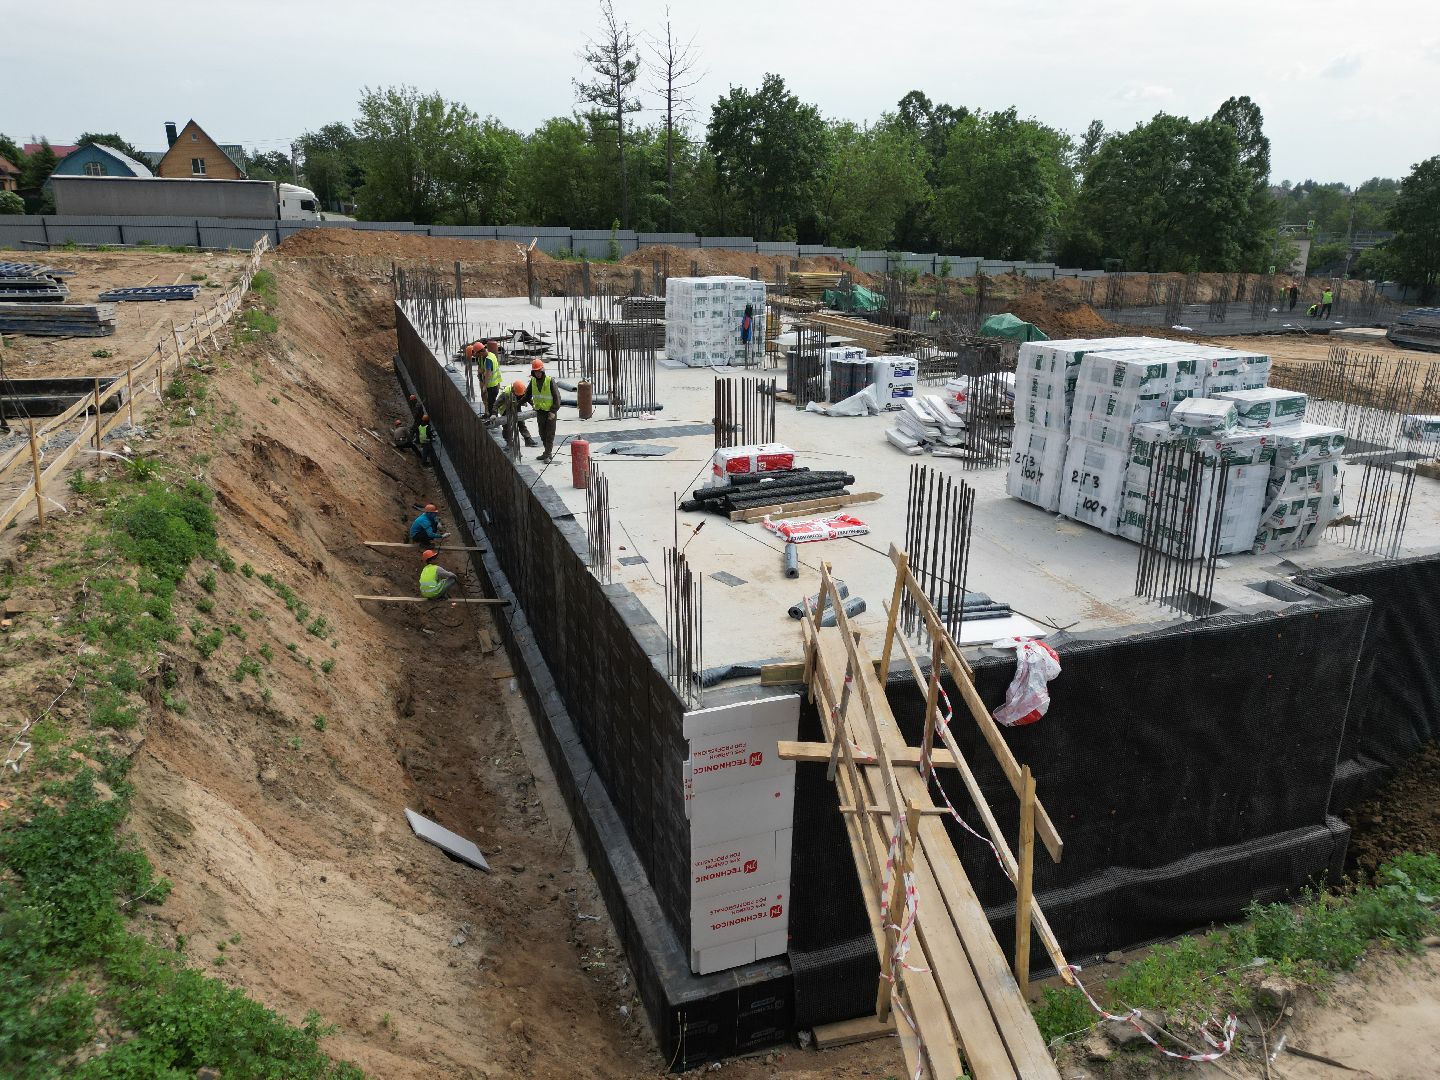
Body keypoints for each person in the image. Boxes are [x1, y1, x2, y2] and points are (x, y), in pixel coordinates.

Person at [521, 358, 561, 462]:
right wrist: (517, 403)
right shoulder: (533, 381)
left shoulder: (549, 380)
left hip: (550, 412)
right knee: (542, 434)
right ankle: (546, 452)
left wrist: (553, 411)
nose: (538, 374)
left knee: (549, 434)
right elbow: (527, 395)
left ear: (542, 370)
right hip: (540, 412)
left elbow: (557, 398)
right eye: (536, 372)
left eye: (539, 371)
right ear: (533, 372)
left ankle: (548, 454)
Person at [495, 379, 537, 447]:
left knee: (521, 422)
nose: (520, 396)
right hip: (505, 408)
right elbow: (496, 404)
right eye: (518, 395)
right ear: (513, 390)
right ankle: (509, 442)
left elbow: (527, 397)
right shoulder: (506, 393)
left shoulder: (522, 390)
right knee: (507, 426)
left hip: (515, 405)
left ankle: (528, 439)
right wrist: (494, 414)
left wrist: (533, 405)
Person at [481, 339, 503, 417]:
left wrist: (484, 386)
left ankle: (492, 419)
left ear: (481, 352)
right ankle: (492, 417)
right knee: (493, 403)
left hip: (491, 386)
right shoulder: (492, 355)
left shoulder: (488, 359)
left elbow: (489, 373)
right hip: (496, 384)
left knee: (491, 404)